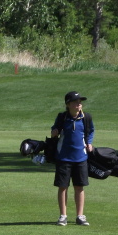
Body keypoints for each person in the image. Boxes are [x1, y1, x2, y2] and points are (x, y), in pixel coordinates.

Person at [50, 91, 94, 226]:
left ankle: (80, 216)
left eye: (80, 102)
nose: (79, 104)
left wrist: (89, 143)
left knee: (79, 187)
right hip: (63, 158)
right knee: (63, 187)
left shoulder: (86, 117)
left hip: (81, 158)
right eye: (75, 102)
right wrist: (54, 132)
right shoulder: (62, 117)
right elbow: (54, 130)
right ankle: (63, 216)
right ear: (68, 104)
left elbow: (91, 131)